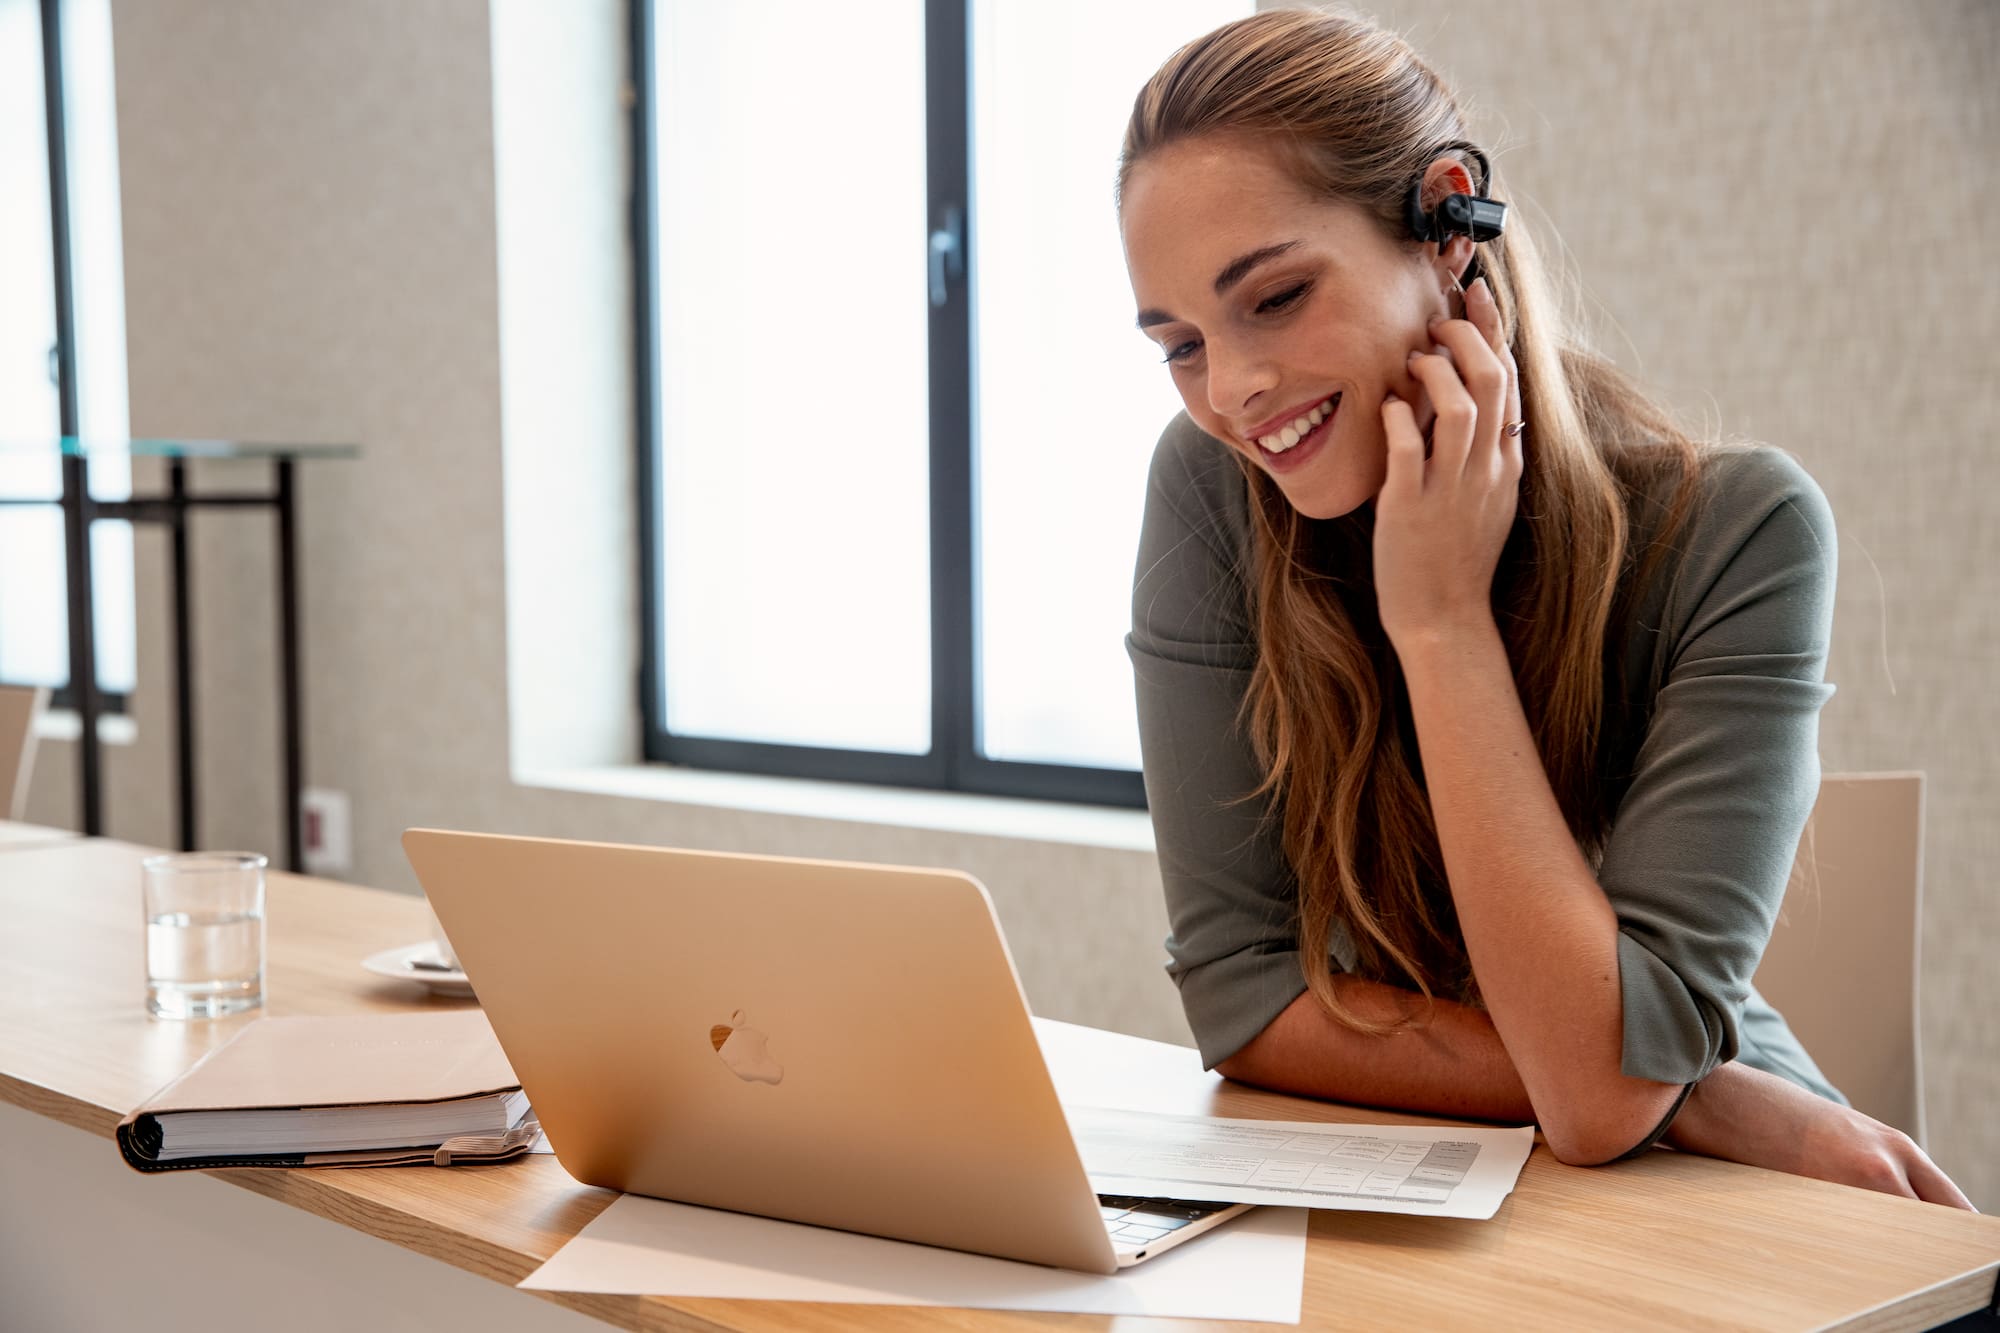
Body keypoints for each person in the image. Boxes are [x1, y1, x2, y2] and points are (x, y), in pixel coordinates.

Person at [1118, 8, 1971, 1209]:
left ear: (1447, 220)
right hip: (1634, 1140)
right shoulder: (1209, 494)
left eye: (1274, 297)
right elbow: (1243, 999)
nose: (1232, 388)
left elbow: (1596, 1098)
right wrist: (1695, 1092)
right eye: (1179, 343)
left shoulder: (1741, 536)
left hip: (1698, 1203)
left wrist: (1440, 621)